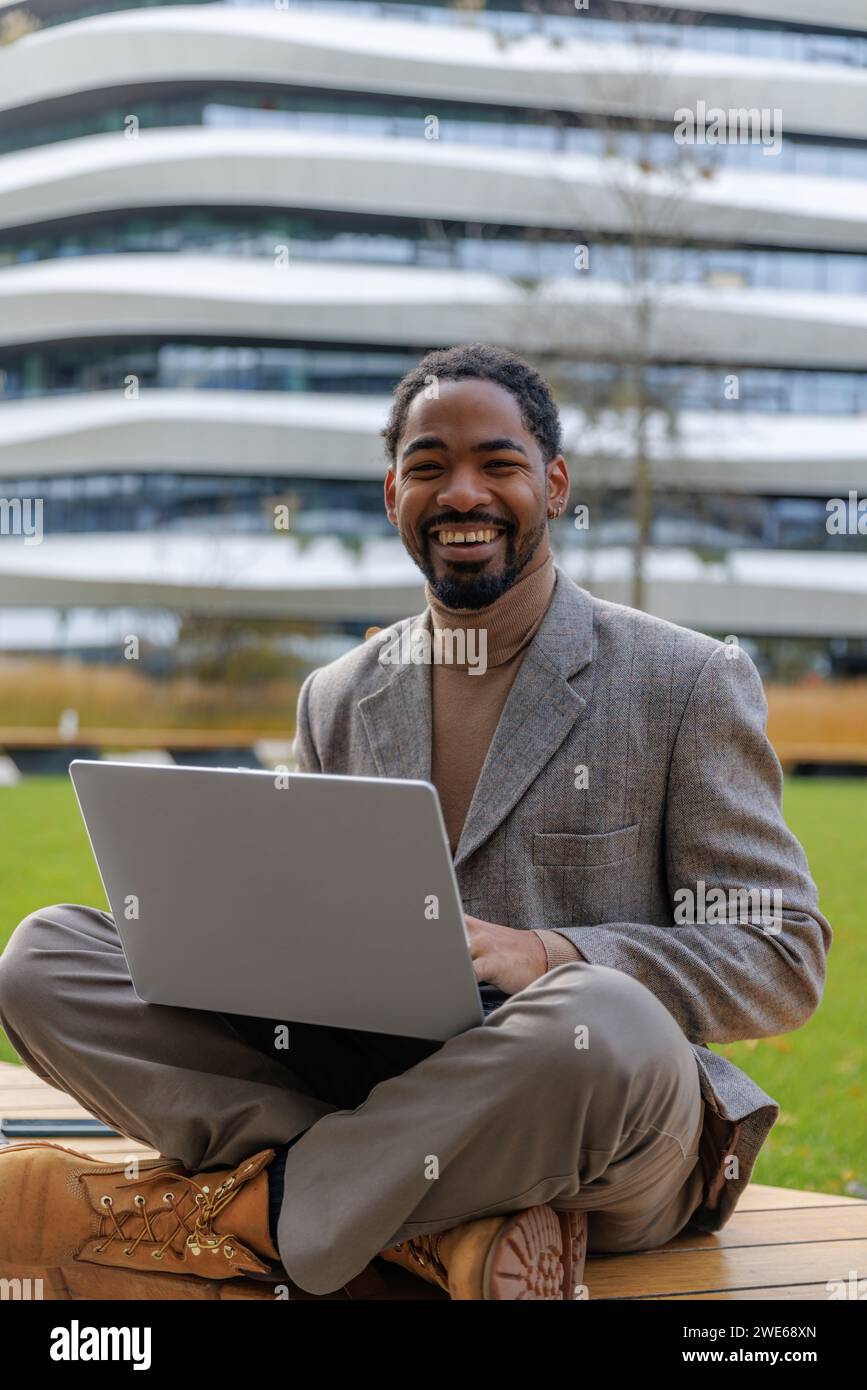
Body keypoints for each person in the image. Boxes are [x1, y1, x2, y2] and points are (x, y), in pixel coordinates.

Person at [0, 345, 831, 1301]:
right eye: (429, 466)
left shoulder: (681, 680)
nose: (462, 492)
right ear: (394, 491)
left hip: (597, 1123)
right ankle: (424, 1229)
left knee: (600, 1016)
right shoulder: (340, 697)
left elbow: (781, 951)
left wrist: (552, 953)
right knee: (44, 957)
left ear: (553, 484)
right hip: (372, 1082)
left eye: (499, 464)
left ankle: (238, 1216)